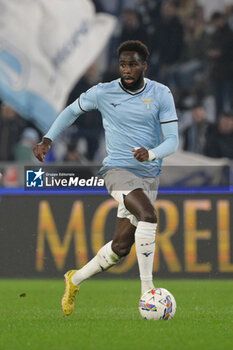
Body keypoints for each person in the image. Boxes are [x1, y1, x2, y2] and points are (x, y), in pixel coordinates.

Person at [33, 40, 179, 316]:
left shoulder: (161, 94)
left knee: (121, 248)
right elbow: (71, 111)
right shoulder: (103, 92)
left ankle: (74, 279)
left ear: (144, 66)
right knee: (148, 215)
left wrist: (151, 154)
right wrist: (48, 138)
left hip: (149, 174)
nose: (127, 69)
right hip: (116, 170)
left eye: (133, 64)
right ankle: (148, 292)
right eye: (123, 64)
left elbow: (172, 142)